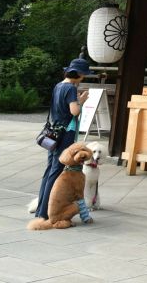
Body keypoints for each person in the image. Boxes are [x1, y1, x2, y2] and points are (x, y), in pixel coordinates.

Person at [32, 57, 90, 220]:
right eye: (83, 75)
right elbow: (74, 112)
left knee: (49, 169)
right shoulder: (71, 88)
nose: (83, 77)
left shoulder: (58, 86)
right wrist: (81, 102)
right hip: (64, 134)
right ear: (78, 74)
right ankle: (45, 213)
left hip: (53, 134)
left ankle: (40, 209)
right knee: (56, 171)